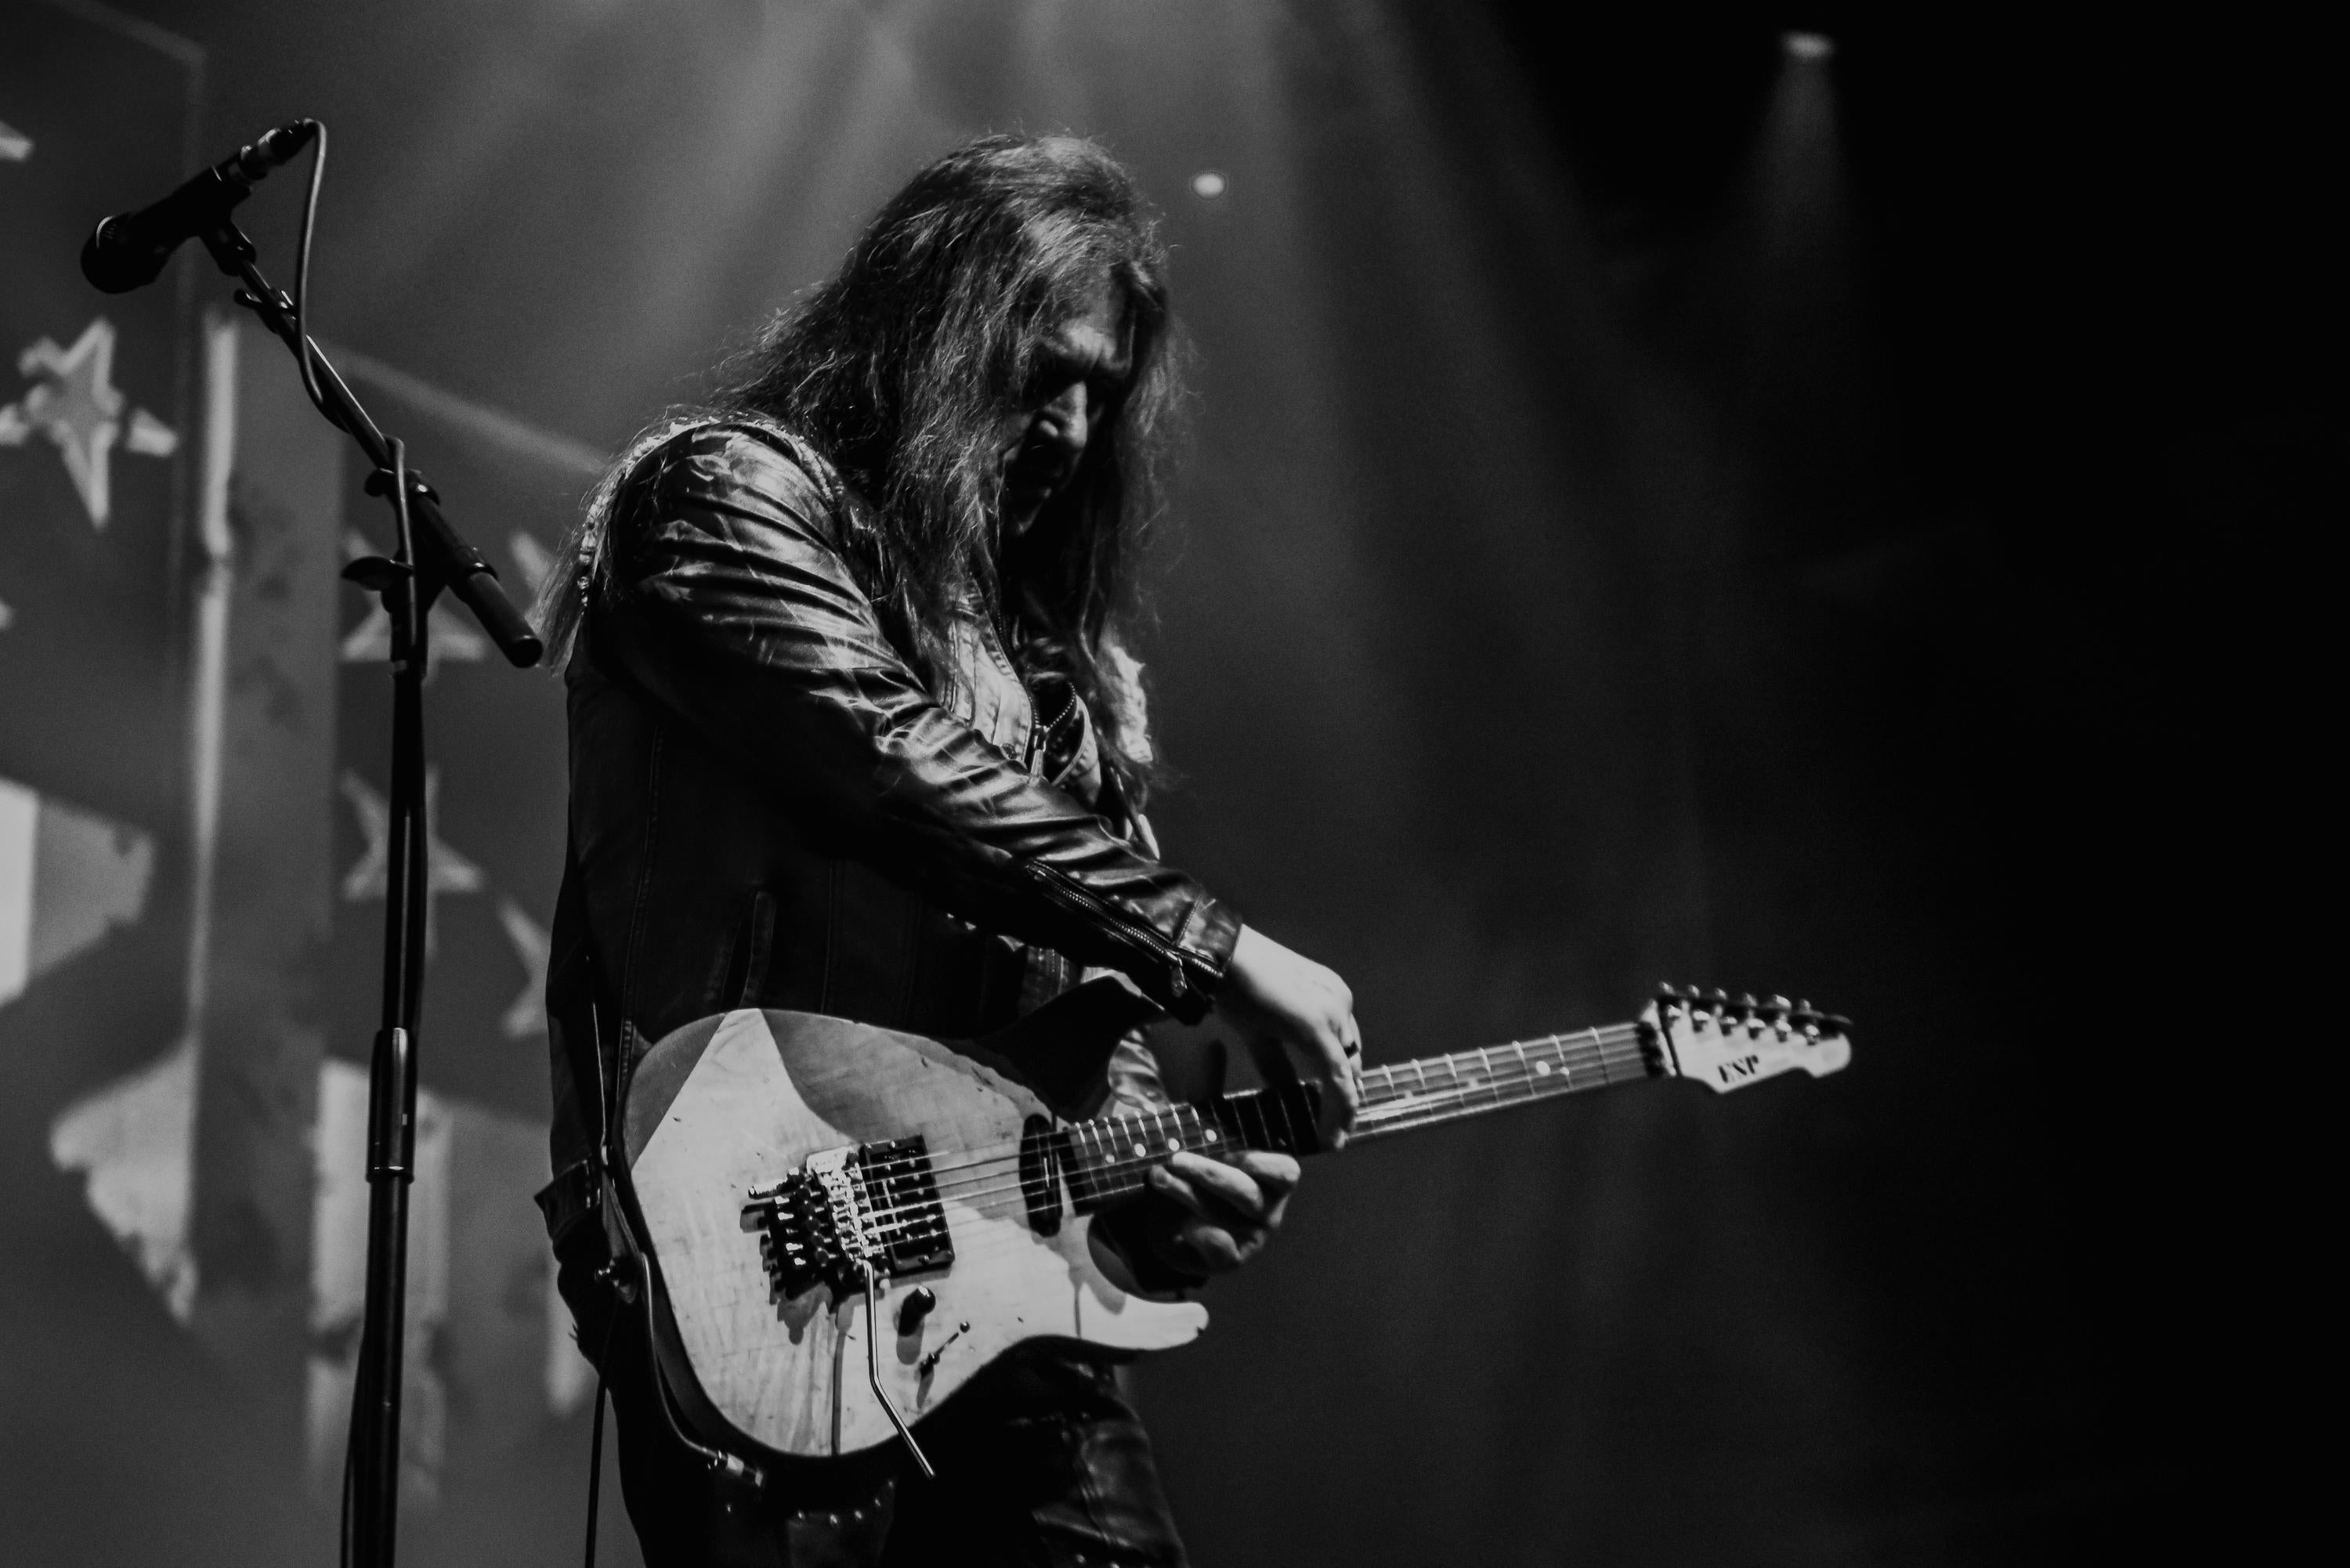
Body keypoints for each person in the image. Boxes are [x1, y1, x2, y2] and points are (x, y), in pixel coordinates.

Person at [530, 133, 1362, 1567]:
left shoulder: (1057, 676)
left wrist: (1147, 1193)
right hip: (767, 1255)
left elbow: (1075, 1033)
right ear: (932, 323)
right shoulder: (724, 498)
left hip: (1009, 1312)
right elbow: (882, 757)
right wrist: (1215, 949)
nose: (1073, 428)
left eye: (1104, 393)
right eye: (1045, 367)